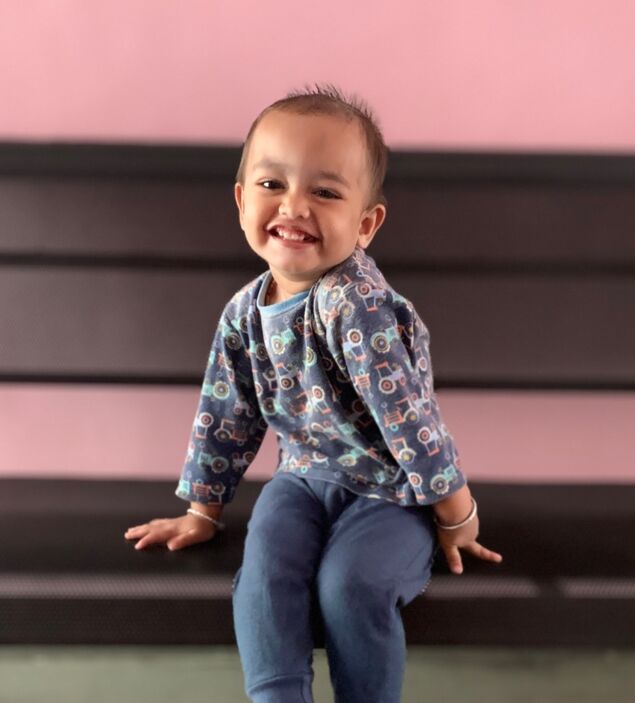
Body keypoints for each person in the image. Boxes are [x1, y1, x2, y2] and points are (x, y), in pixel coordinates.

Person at [125, 86, 502, 703]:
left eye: (325, 192)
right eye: (272, 184)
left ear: (365, 224)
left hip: (392, 493)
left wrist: (456, 515)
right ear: (242, 201)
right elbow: (226, 414)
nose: (294, 205)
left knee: (350, 584)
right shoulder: (244, 312)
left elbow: (410, 419)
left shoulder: (356, 304)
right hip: (301, 481)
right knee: (266, 574)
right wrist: (202, 511)